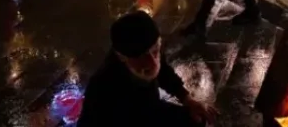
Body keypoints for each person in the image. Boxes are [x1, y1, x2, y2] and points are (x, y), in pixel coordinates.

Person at [78, 11, 217, 127]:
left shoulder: (150, 47)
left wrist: (187, 99)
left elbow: (164, 72)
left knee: (197, 119)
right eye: (141, 56)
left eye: (155, 50)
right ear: (121, 57)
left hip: (151, 108)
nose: (152, 62)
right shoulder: (102, 87)